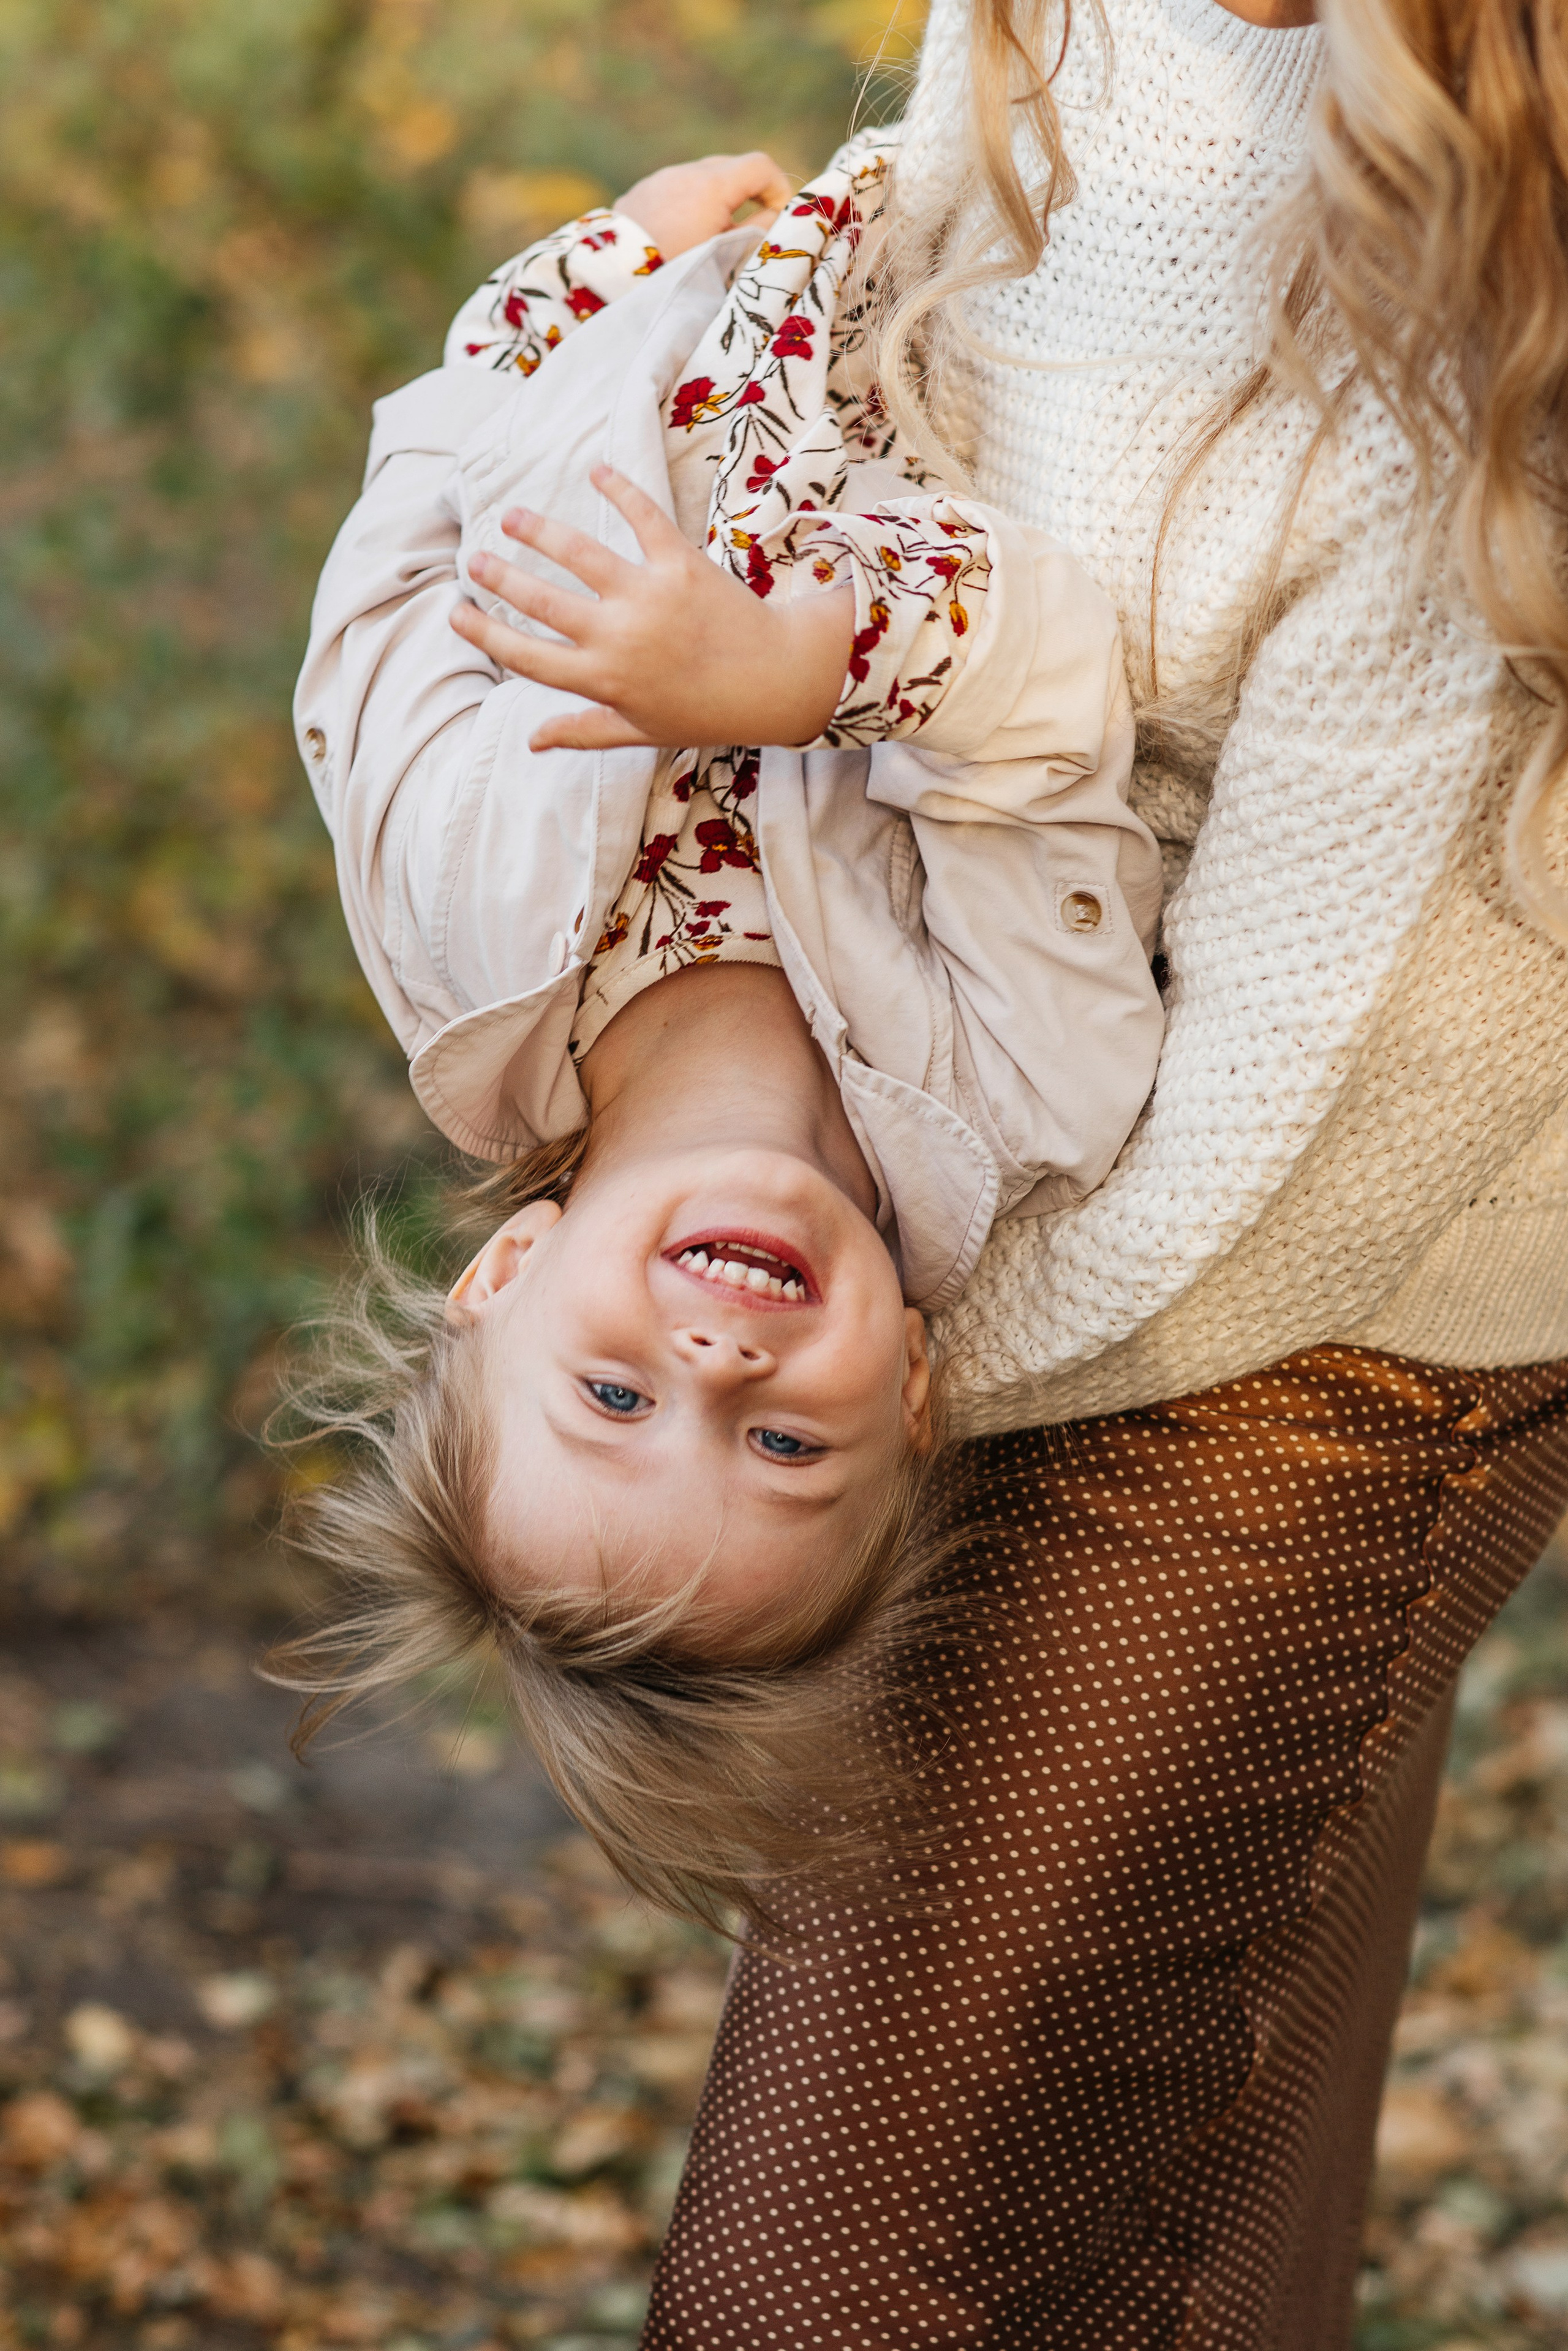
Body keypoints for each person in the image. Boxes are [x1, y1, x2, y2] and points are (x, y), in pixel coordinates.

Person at [629, 0, 1568, 2344]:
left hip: (1313, 1328)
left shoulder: (1475, 255)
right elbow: (918, 398)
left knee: (837, 2295)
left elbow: (1328, 1120)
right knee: (1190, 2235)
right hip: (1026, 1158)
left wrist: (847, 1328)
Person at [278, 142, 1165, 1924]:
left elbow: (390, 595)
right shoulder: (1030, 1092)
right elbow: (1054, 716)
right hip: (987, 286)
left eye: (614, 1396)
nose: (717, 1370)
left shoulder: (464, 953)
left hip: (691, 304)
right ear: (914, 1399)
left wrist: (595, 265)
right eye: (784, 1450)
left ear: (506, 1277)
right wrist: (797, 674)